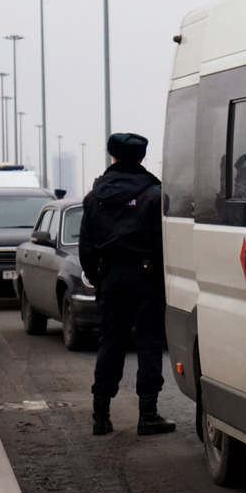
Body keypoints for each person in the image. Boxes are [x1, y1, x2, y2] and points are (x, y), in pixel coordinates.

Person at [79, 132, 175, 436]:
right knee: (148, 343)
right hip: (146, 278)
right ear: (142, 158)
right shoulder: (154, 196)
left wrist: (99, 277)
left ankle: (100, 416)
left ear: (113, 156)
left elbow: (86, 247)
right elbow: (165, 243)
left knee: (110, 342)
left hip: (110, 277)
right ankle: (148, 415)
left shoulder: (94, 197)